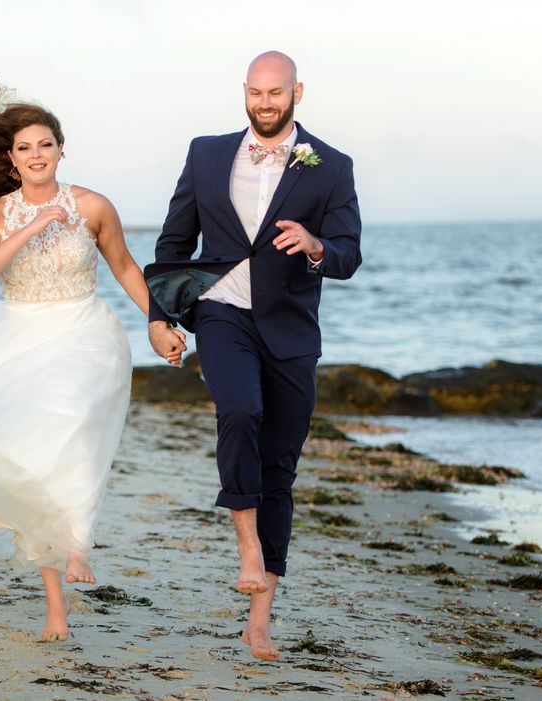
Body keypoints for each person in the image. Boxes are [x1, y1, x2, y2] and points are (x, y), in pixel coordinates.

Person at [0, 82, 185, 642]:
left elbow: (125, 267)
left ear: (61, 149)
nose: (36, 155)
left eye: (45, 145)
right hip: (14, 338)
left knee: (69, 426)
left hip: (84, 331)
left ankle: (76, 543)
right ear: (11, 157)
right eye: (25, 148)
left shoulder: (93, 206)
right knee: (32, 458)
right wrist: (30, 226)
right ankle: (55, 604)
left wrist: (157, 321)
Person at [144, 51, 361, 660]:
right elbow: (173, 243)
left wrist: (315, 244)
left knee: (279, 469)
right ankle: (246, 544)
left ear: (297, 93)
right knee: (239, 409)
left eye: (276, 93)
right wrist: (159, 318)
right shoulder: (206, 154)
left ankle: (259, 616)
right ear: (245, 91)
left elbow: (348, 253)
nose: (265, 104)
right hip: (221, 311)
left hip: (291, 329)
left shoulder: (331, 165)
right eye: (256, 93)